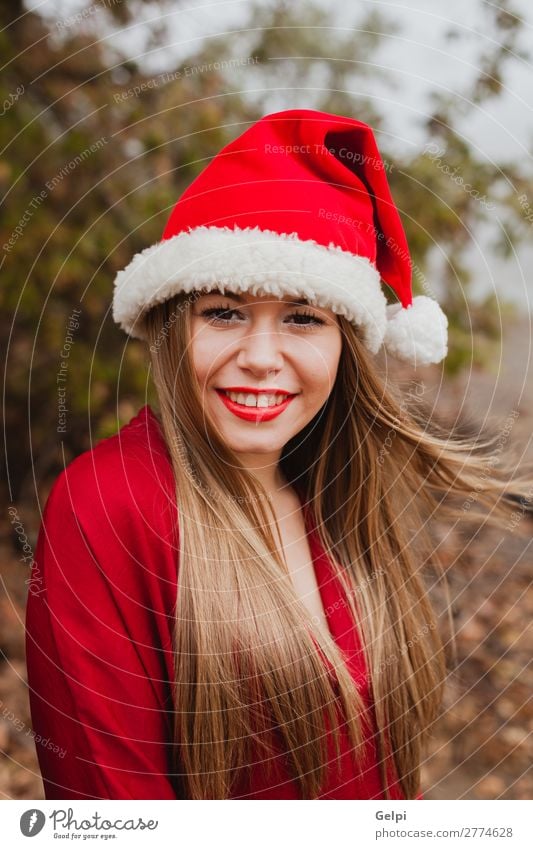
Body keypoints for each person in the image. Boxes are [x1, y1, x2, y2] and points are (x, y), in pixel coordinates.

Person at [25, 108, 532, 801]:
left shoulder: (332, 492)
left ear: (343, 347)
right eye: (224, 312)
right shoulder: (108, 504)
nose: (260, 358)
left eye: (302, 317)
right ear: (175, 329)